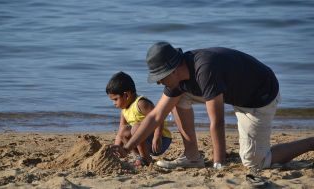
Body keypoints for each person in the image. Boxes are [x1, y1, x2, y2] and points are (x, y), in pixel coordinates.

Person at [112, 42, 314, 170]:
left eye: (159, 77)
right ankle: (192, 158)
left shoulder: (204, 70)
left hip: (258, 97)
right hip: (235, 92)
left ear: (172, 70)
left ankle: (311, 142)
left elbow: (217, 121)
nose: (157, 82)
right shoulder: (179, 78)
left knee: (255, 163)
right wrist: (127, 148)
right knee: (177, 99)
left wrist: (219, 164)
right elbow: (156, 116)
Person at [106, 71, 172, 166]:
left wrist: (157, 136)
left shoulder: (141, 103)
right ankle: (140, 157)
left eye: (115, 99)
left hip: (161, 139)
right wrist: (116, 148)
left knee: (136, 127)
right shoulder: (124, 110)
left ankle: (145, 158)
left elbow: (159, 118)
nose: (114, 103)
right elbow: (121, 132)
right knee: (124, 130)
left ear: (126, 95)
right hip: (142, 141)